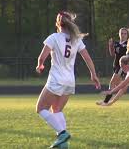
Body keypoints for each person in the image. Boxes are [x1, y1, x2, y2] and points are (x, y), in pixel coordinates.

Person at [35, 11, 101, 148]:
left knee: (40, 108)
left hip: (56, 80)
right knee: (57, 110)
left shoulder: (54, 37)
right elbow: (87, 58)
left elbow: (42, 57)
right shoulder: (76, 39)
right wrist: (93, 74)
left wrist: (40, 65)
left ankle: (62, 133)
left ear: (58, 23)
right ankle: (64, 145)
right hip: (70, 81)